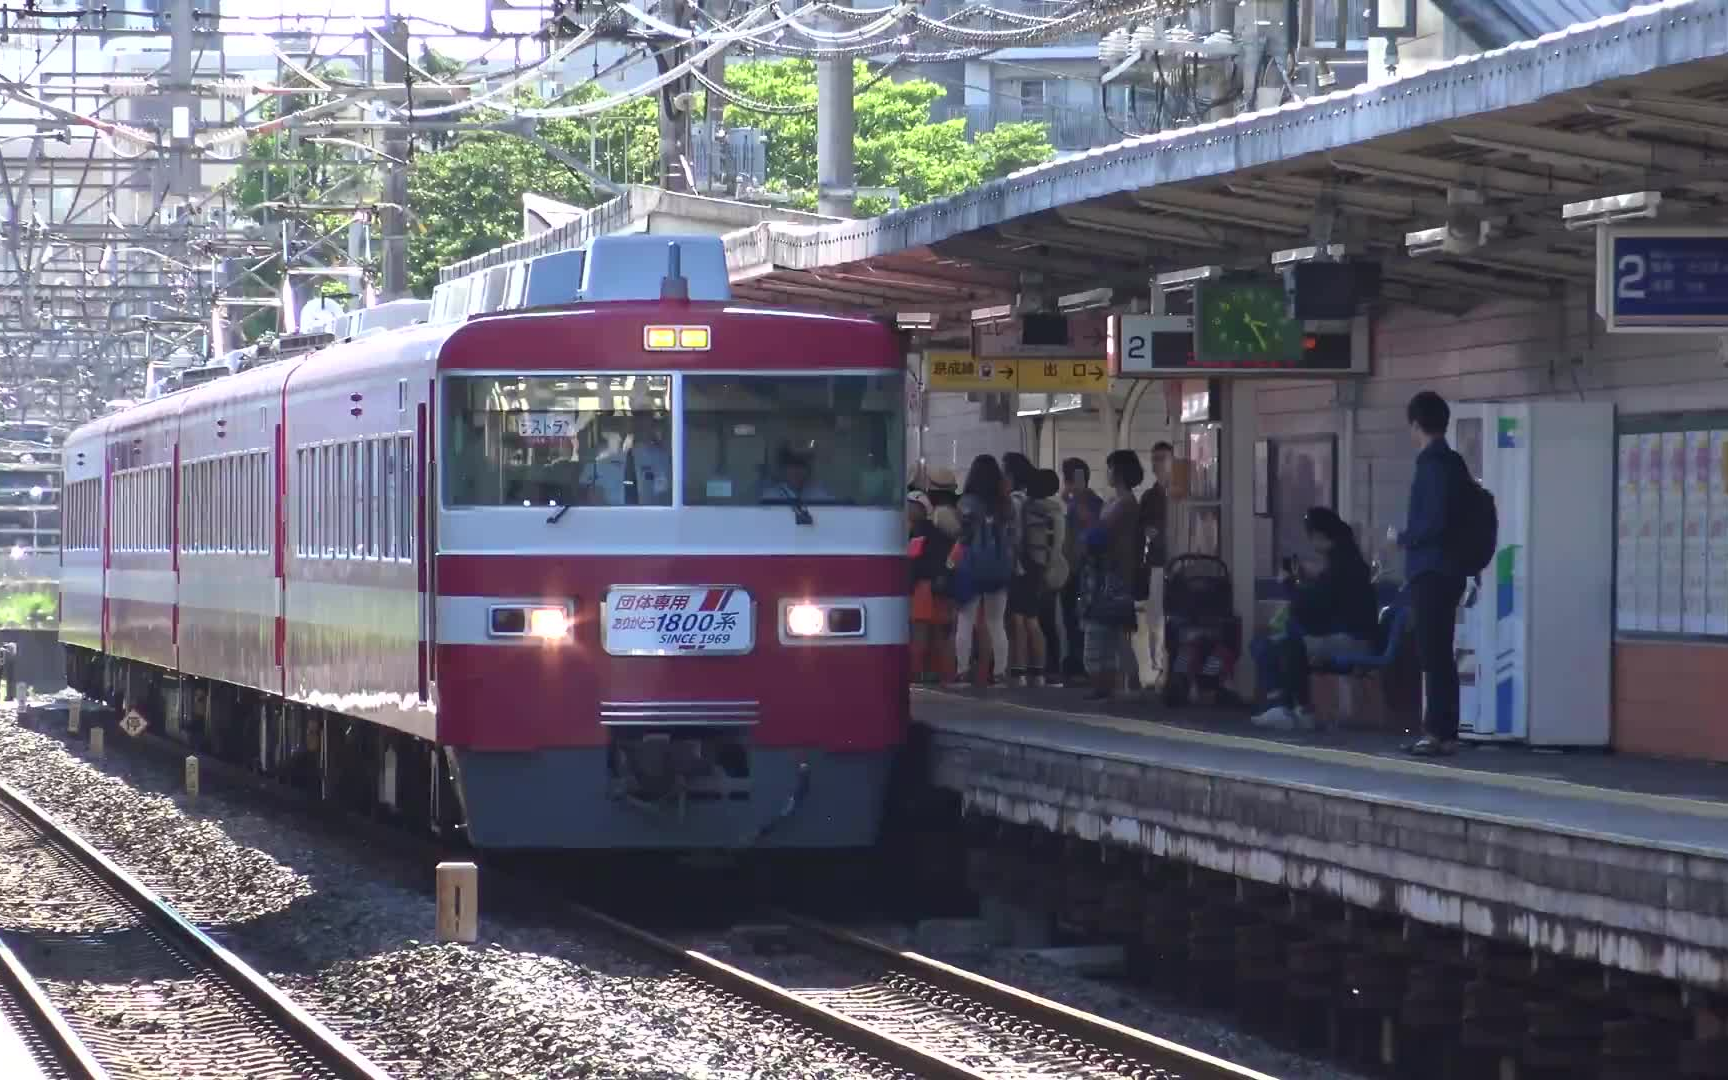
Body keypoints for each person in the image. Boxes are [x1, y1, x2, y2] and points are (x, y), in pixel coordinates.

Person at [1252, 507, 1380, 731]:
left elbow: (1312, 605)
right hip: (1351, 634)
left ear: (1321, 536)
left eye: (1311, 537)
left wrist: (1289, 584)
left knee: (1288, 642)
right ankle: (1286, 707)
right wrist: (1308, 581)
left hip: (1352, 639)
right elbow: (1326, 597)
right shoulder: (1347, 559)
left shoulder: (1342, 564)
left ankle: (1295, 708)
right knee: (1277, 640)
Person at [1398, 390, 1469, 757]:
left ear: (1416, 424)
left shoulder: (1431, 465)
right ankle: (1446, 730)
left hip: (1432, 570)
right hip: (1452, 570)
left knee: (1433, 653)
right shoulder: (1455, 463)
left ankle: (1436, 732)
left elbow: (1433, 522)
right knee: (1441, 651)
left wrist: (1404, 537)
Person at [948, 455, 1017, 688]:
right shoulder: (1006, 504)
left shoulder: (967, 503)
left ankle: (963, 672)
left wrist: (952, 561)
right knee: (996, 622)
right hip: (1000, 568)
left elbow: (964, 536)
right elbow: (1014, 537)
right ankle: (999, 674)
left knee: (965, 620)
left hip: (972, 568)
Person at [1078, 449, 1143, 701]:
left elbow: (1099, 535)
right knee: (1115, 633)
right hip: (1113, 574)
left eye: (1110, 467)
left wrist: (1086, 524)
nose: (1107, 472)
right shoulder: (1118, 502)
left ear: (1119, 472)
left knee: (1101, 630)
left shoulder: (1124, 505)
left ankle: (1109, 682)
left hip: (1111, 576)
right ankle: (1120, 683)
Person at [1133, 441, 1174, 696]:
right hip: (1157, 563)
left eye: (1162, 458)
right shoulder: (1150, 496)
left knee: (1164, 620)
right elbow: (1142, 530)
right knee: (1156, 619)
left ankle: (1164, 669)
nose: (1157, 463)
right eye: (1154, 458)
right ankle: (1159, 670)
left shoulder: (1181, 492)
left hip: (1176, 563)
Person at [1059, 458, 1103, 685]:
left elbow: (1076, 540)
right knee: (1078, 620)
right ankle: (1080, 665)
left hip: (1077, 571)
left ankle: (1080, 666)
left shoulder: (1081, 504)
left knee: (1075, 619)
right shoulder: (1093, 502)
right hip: (1082, 569)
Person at [908, 493, 959, 684]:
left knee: (920, 634)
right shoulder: (942, 532)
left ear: (922, 509)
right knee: (940, 636)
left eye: (912, 506)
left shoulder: (919, 532)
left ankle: (916, 675)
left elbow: (914, 562)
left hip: (922, 588)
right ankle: (942, 675)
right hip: (942, 588)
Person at [1001, 451, 1042, 686]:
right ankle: (1037, 669)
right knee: (1032, 618)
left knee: (1018, 619)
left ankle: (1018, 668)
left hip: (1020, 563)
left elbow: (1014, 535)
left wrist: (1013, 562)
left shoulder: (1015, 501)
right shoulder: (1033, 499)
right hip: (1034, 562)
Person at [1026, 468, 1067, 688]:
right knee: (1050, 621)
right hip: (1055, 568)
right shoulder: (1057, 509)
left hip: (1038, 568)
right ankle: (1053, 669)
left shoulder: (1033, 509)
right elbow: (1058, 542)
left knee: (1039, 621)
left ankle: (1042, 667)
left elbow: (1035, 541)